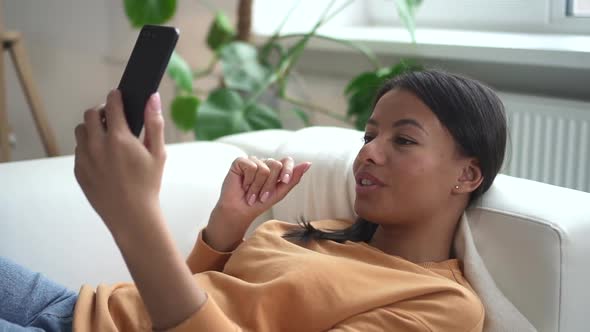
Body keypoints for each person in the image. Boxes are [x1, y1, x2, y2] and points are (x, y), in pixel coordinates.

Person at [0, 69, 506, 331]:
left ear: (467, 174)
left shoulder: (441, 306)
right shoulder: (319, 229)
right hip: (80, 306)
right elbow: (195, 294)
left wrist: (135, 217)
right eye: (368, 135)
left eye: (404, 139)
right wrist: (224, 229)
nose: (369, 152)